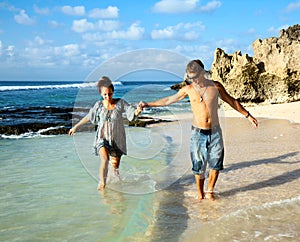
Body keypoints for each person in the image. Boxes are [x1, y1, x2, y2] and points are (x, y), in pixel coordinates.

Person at [139, 60, 258, 201]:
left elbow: (231, 101)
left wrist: (248, 115)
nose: (193, 80)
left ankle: (210, 191)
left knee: (216, 164)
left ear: (202, 72)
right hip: (198, 134)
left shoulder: (216, 86)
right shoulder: (188, 89)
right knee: (198, 166)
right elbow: (168, 100)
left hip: (215, 132)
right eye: (190, 78)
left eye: (195, 76)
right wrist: (148, 104)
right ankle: (200, 194)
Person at [69, 76, 142, 190]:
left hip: (118, 139)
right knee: (105, 159)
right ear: (101, 94)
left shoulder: (120, 103)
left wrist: (138, 111)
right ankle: (102, 184)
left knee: (115, 169)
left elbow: (131, 112)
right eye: (105, 95)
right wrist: (76, 127)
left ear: (113, 92)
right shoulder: (98, 105)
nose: (108, 97)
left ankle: (117, 188)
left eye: (110, 94)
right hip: (102, 138)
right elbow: (89, 116)